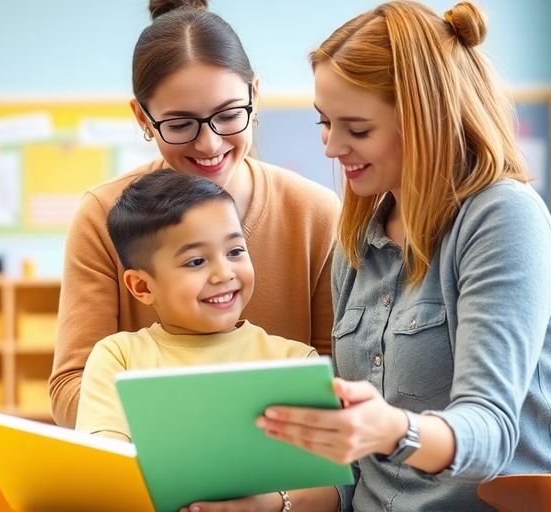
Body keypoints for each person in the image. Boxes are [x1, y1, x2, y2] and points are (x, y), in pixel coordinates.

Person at [185, 2, 551, 511]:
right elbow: (356, 471)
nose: (332, 148)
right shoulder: (357, 240)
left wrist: (392, 429)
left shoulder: (503, 218)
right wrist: (272, 505)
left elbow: (489, 436)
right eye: (325, 123)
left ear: (427, 120)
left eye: (357, 129)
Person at [49, 0, 341, 428]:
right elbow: (72, 387)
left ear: (254, 96)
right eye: (181, 124)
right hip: (151, 471)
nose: (209, 144)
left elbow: (330, 375)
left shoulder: (314, 212)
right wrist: (202, 429)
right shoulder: (102, 216)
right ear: (142, 117)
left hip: (279, 470)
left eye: (227, 115)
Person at [76, 169, 340, 512]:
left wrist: (268, 505)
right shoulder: (118, 357)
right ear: (142, 286)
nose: (224, 273)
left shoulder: (296, 362)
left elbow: (330, 491)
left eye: (235, 251)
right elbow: (103, 470)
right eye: (196, 261)